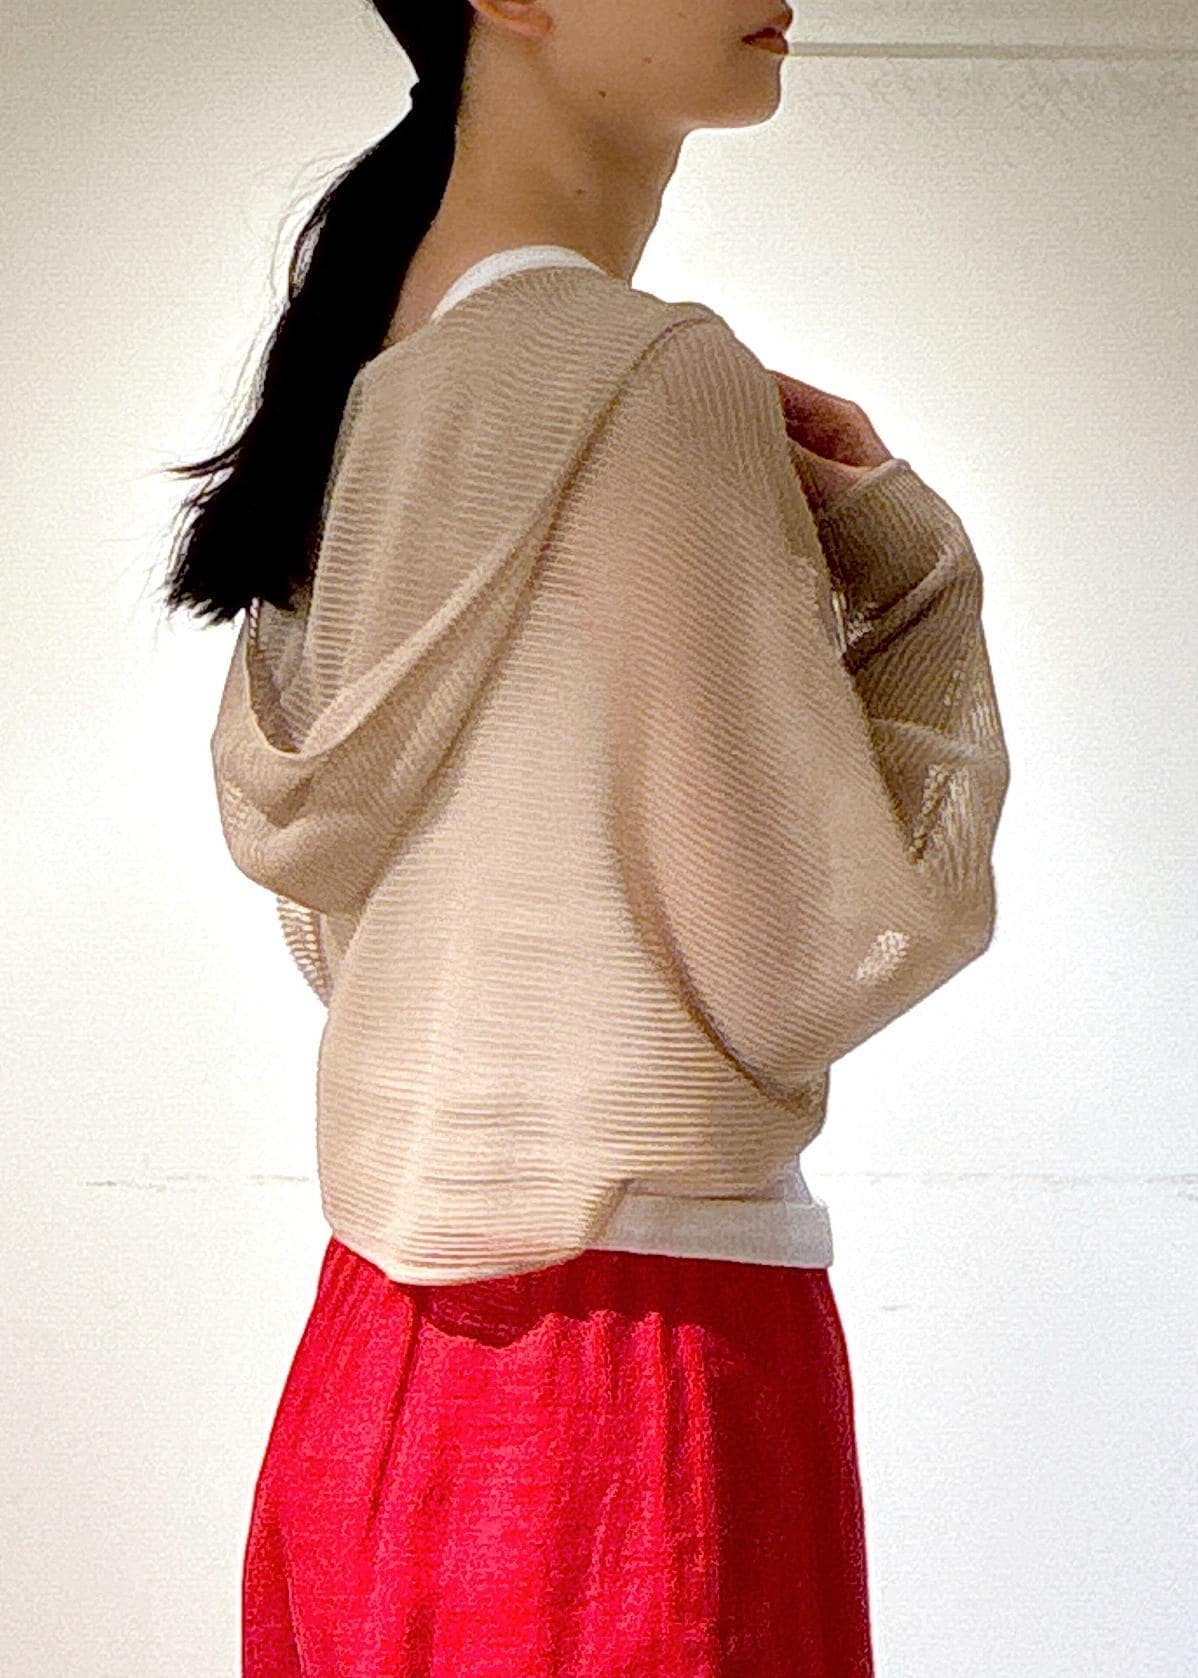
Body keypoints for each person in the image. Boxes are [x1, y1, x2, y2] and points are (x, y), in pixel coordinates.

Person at [158, 3, 1011, 1674]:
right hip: (641, 1385)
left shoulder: (367, 392)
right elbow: (811, 955)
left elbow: (344, 926)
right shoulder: (649, 377)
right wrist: (917, 577)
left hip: (373, 1371)